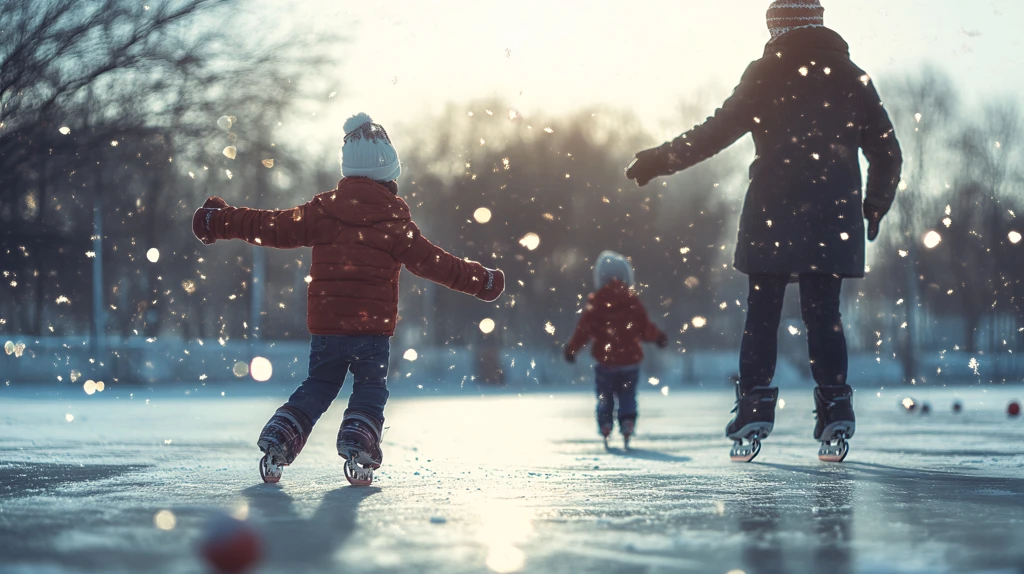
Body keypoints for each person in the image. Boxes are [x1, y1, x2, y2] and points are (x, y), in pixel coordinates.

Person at [625, 0, 902, 461]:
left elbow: (714, 133)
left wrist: (660, 159)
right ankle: (835, 406)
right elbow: (888, 151)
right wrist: (874, 205)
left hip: (774, 214)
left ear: (778, 27)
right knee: (824, 314)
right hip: (833, 218)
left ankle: (754, 405)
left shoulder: (767, 73)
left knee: (763, 313)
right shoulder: (853, 77)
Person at [192, 113, 505, 484]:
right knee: (370, 387)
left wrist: (220, 220)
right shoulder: (395, 224)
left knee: (319, 385)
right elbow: (436, 264)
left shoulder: (323, 212)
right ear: (390, 175)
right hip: (371, 331)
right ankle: (359, 438)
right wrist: (482, 281)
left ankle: (282, 433)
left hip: (327, 327)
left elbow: (270, 225)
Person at [564, 251, 668, 449]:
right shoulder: (632, 302)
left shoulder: (596, 303)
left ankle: (605, 423)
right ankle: (627, 421)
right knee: (627, 394)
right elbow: (645, 328)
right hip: (630, 361)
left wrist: (572, 349)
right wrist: (658, 337)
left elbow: (583, 331)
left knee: (605, 395)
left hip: (606, 361)